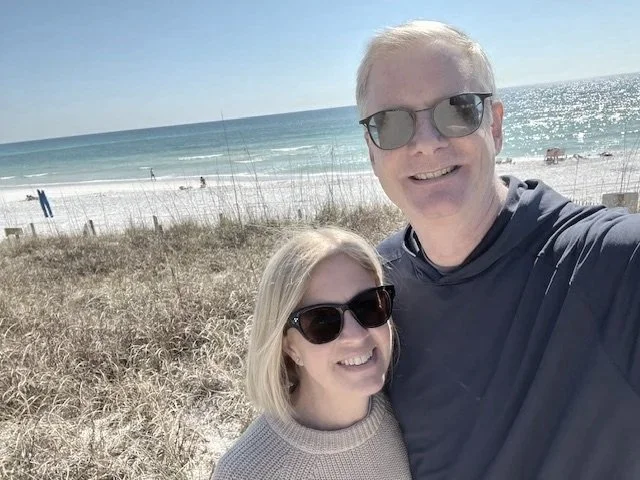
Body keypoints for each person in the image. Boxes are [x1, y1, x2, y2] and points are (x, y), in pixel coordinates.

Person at [356, 20, 640, 479]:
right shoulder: (369, 292)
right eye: (390, 123)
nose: (427, 142)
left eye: (457, 108)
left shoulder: (609, 263)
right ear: (371, 151)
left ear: (496, 124)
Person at [211, 227, 411, 479]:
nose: (357, 335)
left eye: (369, 306)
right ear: (289, 346)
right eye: (322, 322)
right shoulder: (248, 472)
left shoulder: (408, 411)